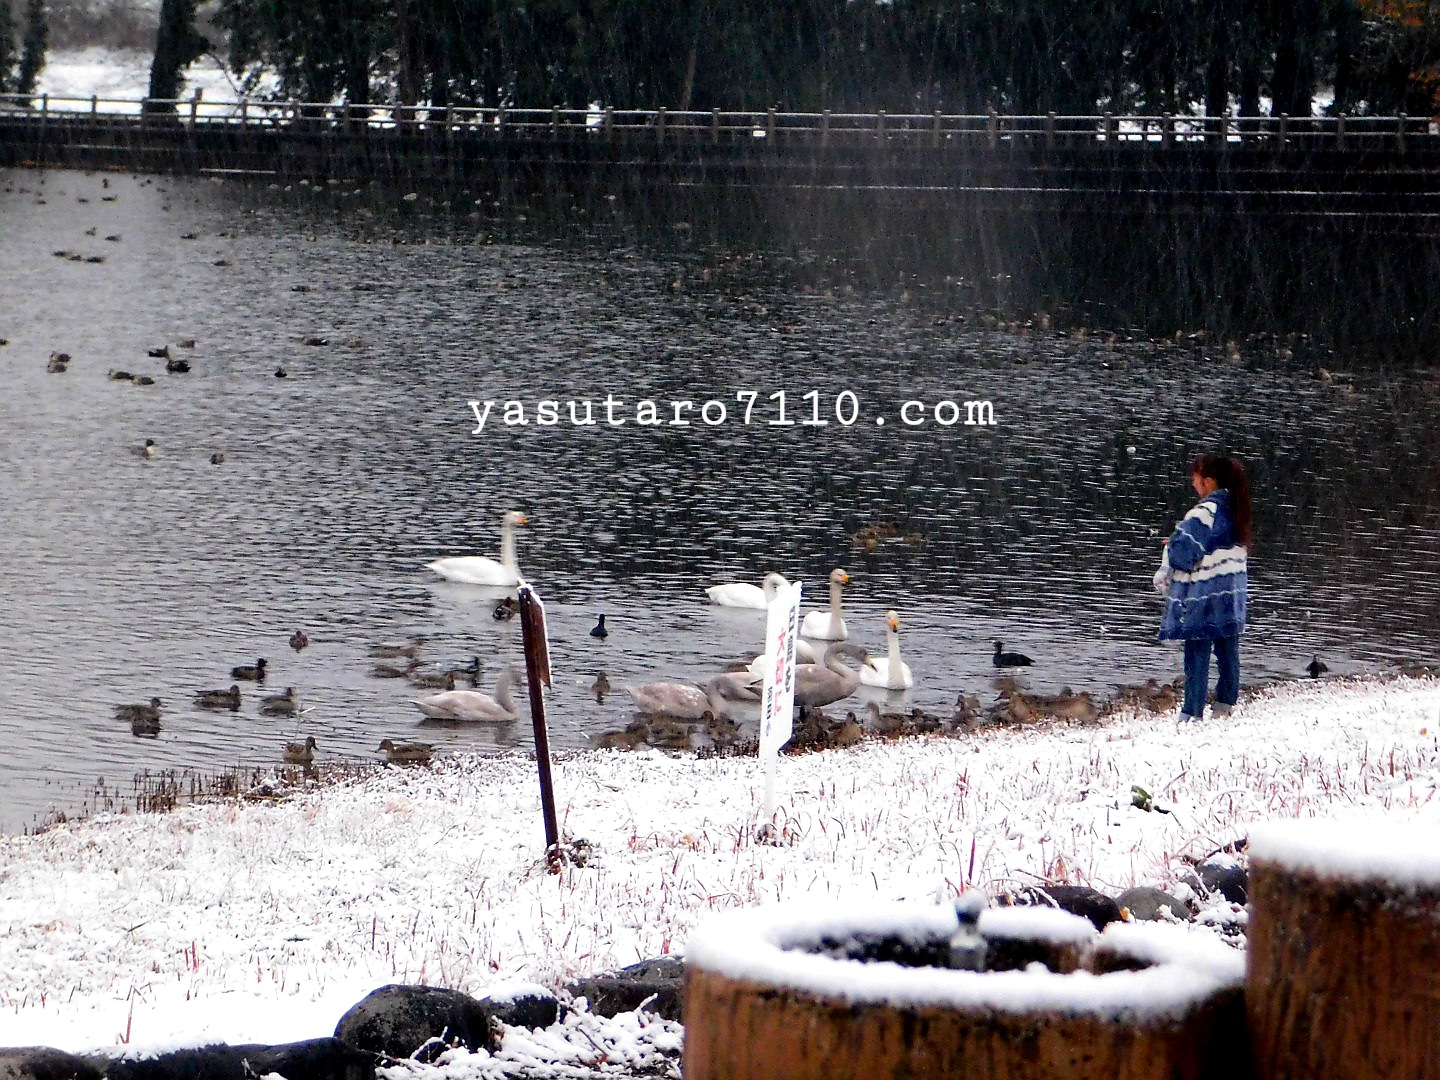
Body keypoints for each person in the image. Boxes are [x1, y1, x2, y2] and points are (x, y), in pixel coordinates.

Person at [1153, 454, 1252, 723]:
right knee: (1228, 651)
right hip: (1231, 592)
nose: (1194, 485)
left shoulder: (1204, 512)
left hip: (1206, 594)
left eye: (1195, 480)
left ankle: (1191, 712)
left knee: (1197, 652)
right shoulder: (1237, 508)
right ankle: (1224, 706)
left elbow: (1183, 553)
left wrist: (1170, 546)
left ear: (1208, 481)